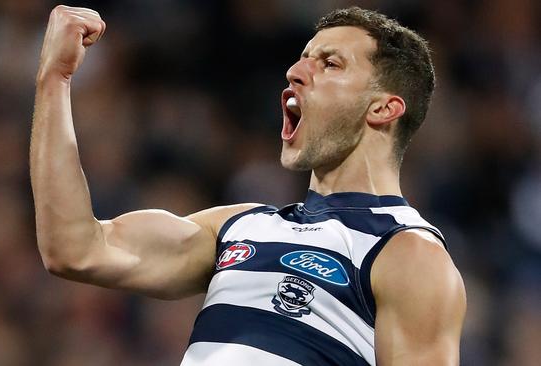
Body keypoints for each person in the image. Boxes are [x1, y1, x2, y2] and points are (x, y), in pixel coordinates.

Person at [30, 5, 466, 366]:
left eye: (329, 63)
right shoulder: (238, 225)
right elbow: (75, 248)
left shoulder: (407, 254)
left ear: (384, 109)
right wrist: (55, 81)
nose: (295, 71)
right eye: (303, 58)